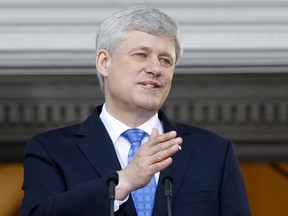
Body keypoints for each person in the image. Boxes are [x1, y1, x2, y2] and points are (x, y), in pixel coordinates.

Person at [20, 6, 250, 216]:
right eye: (141, 54)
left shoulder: (214, 152)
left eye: (165, 60)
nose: (155, 69)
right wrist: (124, 181)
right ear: (104, 62)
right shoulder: (51, 150)